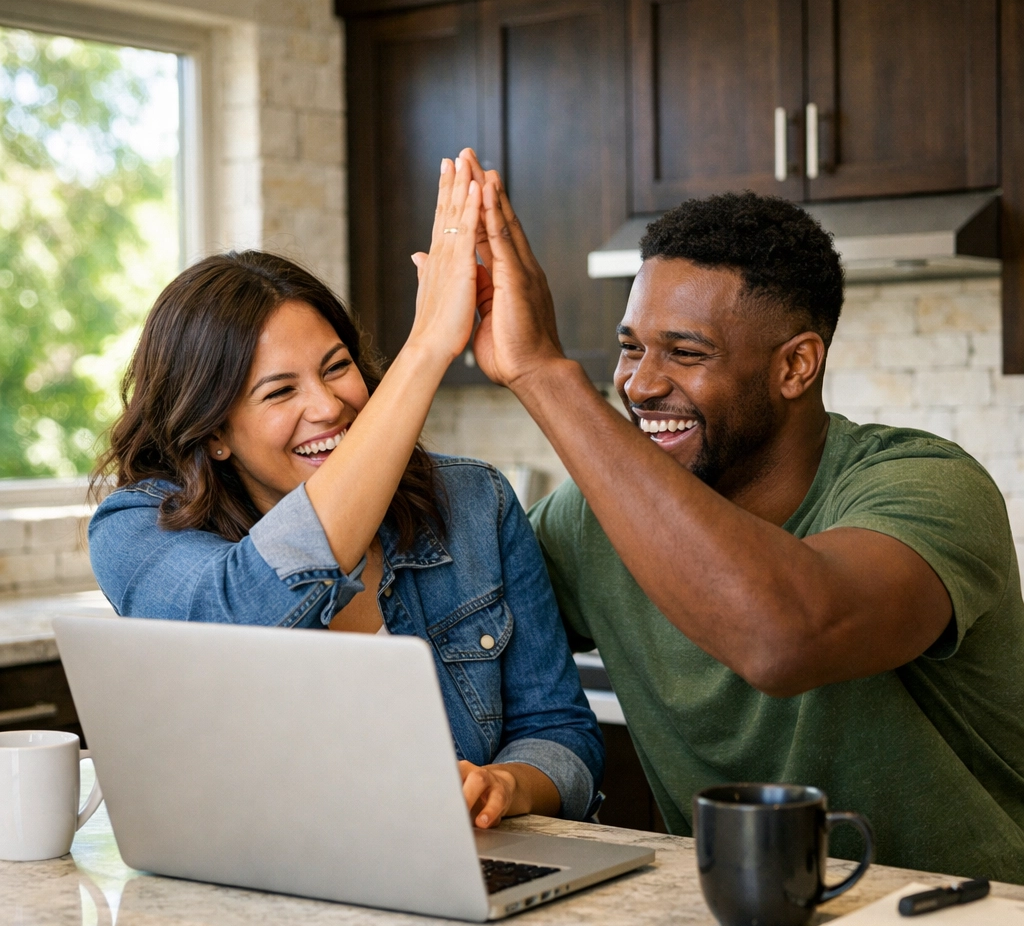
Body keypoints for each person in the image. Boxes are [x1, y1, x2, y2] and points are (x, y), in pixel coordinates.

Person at [456, 147, 1024, 881]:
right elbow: (444, 626)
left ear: (795, 366)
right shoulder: (589, 520)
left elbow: (784, 638)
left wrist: (542, 373)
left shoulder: (928, 485)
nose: (641, 384)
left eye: (685, 353)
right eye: (630, 348)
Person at [88, 157, 603, 829]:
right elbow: (238, 616)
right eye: (280, 392)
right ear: (214, 433)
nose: (329, 406)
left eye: (338, 368)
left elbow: (562, 732)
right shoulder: (136, 528)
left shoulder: (474, 504)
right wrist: (426, 350)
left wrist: (507, 784)